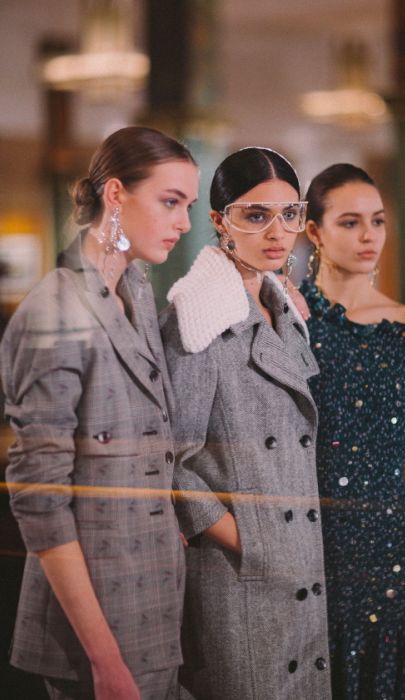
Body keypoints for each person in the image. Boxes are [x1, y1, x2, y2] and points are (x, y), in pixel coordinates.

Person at [0, 126, 199, 700]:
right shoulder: (54, 310)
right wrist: (104, 659)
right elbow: (40, 500)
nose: (185, 222)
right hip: (93, 631)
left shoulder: (137, 290)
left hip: (156, 602)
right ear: (115, 194)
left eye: (188, 205)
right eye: (171, 202)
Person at [160, 147, 332, 700]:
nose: (277, 233)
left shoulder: (283, 310)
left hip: (298, 560)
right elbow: (171, 461)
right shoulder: (199, 318)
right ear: (220, 221)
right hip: (239, 576)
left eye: (289, 214)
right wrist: (249, 538)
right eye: (256, 215)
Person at [299, 163, 405, 699]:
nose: (369, 235)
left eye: (377, 220)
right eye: (350, 222)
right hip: (312, 556)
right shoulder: (288, 324)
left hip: (394, 557)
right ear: (314, 231)